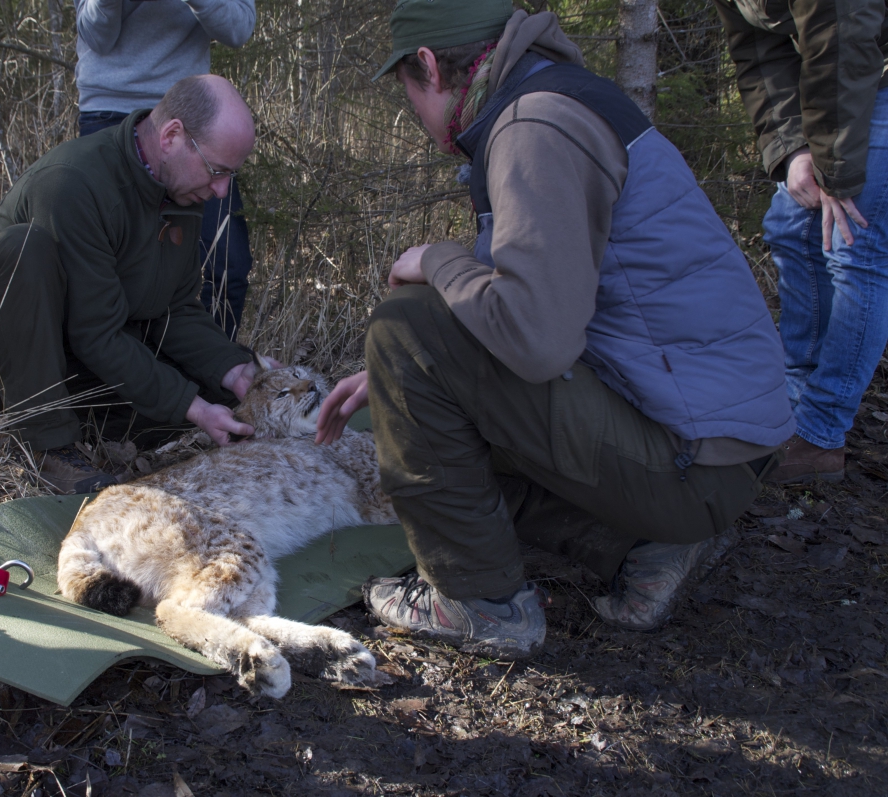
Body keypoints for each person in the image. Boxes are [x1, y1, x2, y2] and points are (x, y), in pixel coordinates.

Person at [314, 0, 795, 658]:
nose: (418, 120)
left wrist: (436, 261)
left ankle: (478, 601)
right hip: (719, 448)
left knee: (403, 325)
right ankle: (646, 549)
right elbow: (539, 283)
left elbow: (535, 337)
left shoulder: (532, 126)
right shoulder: (549, 101)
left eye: (407, 95)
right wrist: (402, 384)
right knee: (431, 418)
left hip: (696, 459)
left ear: (428, 65)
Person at [0, 75, 261, 495]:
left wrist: (234, 368)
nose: (222, 191)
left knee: (217, 392)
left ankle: (80, 421)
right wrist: (195, 409)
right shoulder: (73, 182)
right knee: (24, 247)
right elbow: (97, 333)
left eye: (230, 176)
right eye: (217, 171)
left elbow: (176, 309)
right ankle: (46, 443)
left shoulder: (180, 189)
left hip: (65, 356)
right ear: (172, 136)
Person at [713, 0, 888, 484]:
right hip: (833, 87)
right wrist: (793, 150)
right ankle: (791, 405)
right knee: (792, 228)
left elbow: (844, 39)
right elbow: (758, 50)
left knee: (855, 247)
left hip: (869, 74)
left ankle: (820, 435)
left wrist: (838, 168)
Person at [75, 0, 257, 340]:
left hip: (194, 113)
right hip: (109, 109)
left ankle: (215, 378)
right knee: (111, 274)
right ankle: (130, 385)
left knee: (226, 267)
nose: (221, 188)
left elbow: (238, 28)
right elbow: (94, 34)